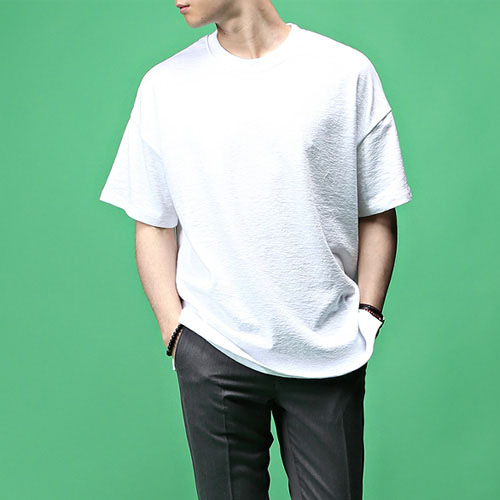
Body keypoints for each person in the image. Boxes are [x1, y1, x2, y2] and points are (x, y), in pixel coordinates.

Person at [99, 1, 413, 498]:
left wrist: (368, 315)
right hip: (214, 350)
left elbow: (376, 210)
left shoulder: (344, 72)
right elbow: (153, 223)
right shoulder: (164, 86)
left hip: (327, 350)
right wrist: (177, 335)